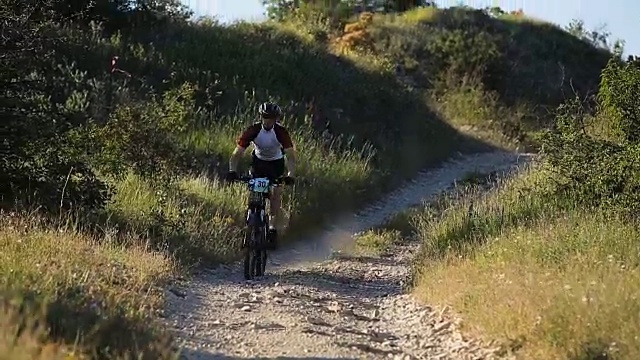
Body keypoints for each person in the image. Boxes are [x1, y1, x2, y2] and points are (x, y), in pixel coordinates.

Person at [226, 102, 296, 249]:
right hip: (258, 163)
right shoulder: (253, 130)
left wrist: (290, 174)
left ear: (276, 118)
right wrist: (232, 171)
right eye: (265, 117)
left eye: (271, 117)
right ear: (261, 116)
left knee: (275, 194)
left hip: (276, 164)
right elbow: (236, 154)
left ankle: (272, 229)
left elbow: (290, 156)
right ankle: (250, 225)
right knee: (255, 193)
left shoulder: (281, 132)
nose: (268, 120)